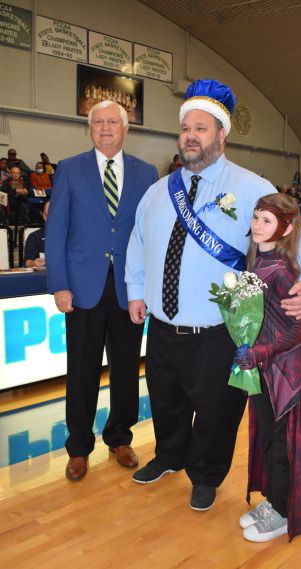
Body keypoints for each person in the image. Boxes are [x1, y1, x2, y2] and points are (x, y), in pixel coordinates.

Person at [125, 79, 301, 511]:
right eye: (185, 129)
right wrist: (136, 290)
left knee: (216, 411)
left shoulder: (252, 186)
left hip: (217, 330)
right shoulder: (158, 192)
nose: (190, 136)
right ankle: (170, 455)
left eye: (201, 128)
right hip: (161, 326)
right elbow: (138, 243)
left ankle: (206, 474)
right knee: (166, 400)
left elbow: (295, 237)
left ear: (221, 134)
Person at [45, 100, 158, 482]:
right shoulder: (69, 169)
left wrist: (146, 287)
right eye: (98, 122)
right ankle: (78, 447)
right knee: (81, 370)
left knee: (126, 367)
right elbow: (56, 230)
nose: (106, 127)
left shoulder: (147, 173)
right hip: (82, 288)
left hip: (130, 288)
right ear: (90, 129)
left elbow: (149, 235)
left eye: (113, 121)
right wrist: (59, 283)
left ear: (126, 129)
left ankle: (120, 437)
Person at [234, 193, 301, 542]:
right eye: (255, 217)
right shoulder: (255, 263)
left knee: (283, 445)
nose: (257, 225)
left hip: (285, 373)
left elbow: (299, 328)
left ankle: (283, 513)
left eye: (266, 220)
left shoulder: (283, 270)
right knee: (267, 437)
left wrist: (262, 351)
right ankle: (272, 501)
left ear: (285, 229)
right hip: (265, 370)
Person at [24, 201, 49, 268]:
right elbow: (27, 262)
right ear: (44, 216)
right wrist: (34, 263)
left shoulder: (73, 236)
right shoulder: (35, 236)